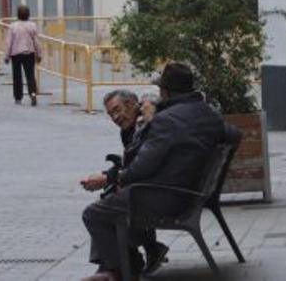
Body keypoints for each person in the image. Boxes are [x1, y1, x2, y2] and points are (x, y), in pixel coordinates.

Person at [79, 63, 224, 281]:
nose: (116, 117)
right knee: (114, 200)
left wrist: (110, 177)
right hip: (188, 192)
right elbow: (233, 134)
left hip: (168, 197)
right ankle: (119, 265)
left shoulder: (166, 120)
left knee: (94, 213)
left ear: (165, 92)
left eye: (118, 110)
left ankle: (123, 269)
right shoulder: (210, 113)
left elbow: (141, 167)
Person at [4, 4, 41, 106]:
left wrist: (6, 56)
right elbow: (36, 41)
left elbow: (9, 42)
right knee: (30, 74)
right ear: (28, 15)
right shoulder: (32, 26)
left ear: (18, 15)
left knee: (17, 76)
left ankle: (18, 97)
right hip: (29, 53)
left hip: (16, 54)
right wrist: (39, 54)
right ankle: (33, 93)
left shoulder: (13, 26)